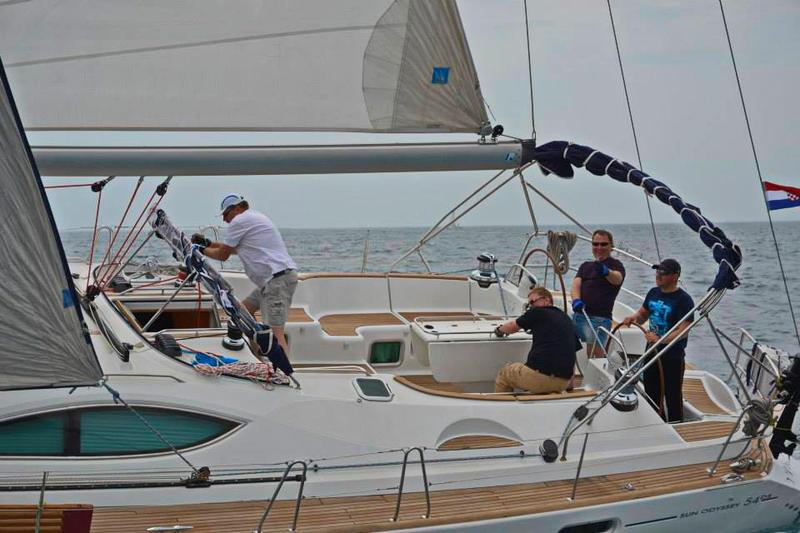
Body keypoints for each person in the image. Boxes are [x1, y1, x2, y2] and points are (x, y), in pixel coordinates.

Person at [194, 194, 298, 356]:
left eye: (225, 214)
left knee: (275, 336)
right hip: (273, 281)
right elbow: (234, 249)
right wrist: (207, 243)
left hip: (277, 282)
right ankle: (259, 360)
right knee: (243, 314)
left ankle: (283, 369)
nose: (224, 220)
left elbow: (222, 255)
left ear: (237, 208)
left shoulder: (239, 221)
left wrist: (200, 250)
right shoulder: (253, 218)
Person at [621, 258, 694, 422]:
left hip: (672, 355)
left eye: (663, 273)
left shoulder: (684, 300)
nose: (658, 275)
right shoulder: (653, 292)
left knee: (672, 394)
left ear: (675, 276)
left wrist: (660, 339)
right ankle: (658, 422)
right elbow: (642, 315)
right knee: (651, 391)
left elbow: (683, 331)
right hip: (651, 351)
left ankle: (676, 424)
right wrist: (633, 318)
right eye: (657, 271)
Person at [493, 287, 582, 393]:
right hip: (563, 382)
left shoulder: (537, 312)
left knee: (504, 374)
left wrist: (499, 330)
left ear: (546, 300)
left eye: (532, 302)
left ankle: (501, 402)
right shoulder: (566, 319)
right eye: (528, 304)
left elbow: (512, 326)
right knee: (532, 373)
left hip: (541, 377)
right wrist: (570, 387)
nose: (531, 306)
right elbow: (572, 353)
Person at [571, 229, 625, 357]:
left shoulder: (616, 265)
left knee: (595, 354)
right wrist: (576, 299)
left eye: (603, 244)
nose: (599, 247)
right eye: (595, 244)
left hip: (599, 318)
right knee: (567, 346)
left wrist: (606, 272)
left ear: (611, 246)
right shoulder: (585, 266)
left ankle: (601, 369)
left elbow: (617, 279)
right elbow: (576, 284)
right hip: (579, 314)